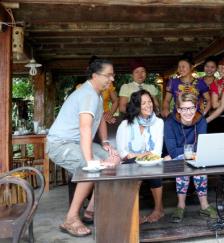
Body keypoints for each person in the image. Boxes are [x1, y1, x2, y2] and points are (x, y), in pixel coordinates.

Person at [47, 58, 120, 237]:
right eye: (108, 75)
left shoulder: (97, 94)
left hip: (76, 142)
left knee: (116, 161)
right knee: (91, 169)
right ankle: (70, 219)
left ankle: (91, 210)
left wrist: (105, 143)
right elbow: (85, 128)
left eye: (113, 75)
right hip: (61, 144)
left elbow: (101, 117)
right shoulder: (87, 94)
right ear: (95, 75)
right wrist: (90, 162)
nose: (112, 79)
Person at [164, 93, 217, 223]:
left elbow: (202, 146)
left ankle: (204, 205)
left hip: (196, 156)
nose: (188, 112)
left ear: (196, 107)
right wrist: (185, 152)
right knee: (184, 165)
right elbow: (172, 150)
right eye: (184, 109)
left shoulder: (201, 120)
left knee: (198, 164)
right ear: (178, 109)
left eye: (192, 108)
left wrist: (183, 151)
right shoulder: (170, 122)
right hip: (178, 159)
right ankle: (181, 205)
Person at [116, 89, 164, 223]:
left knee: (155, 170)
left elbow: (156, 152)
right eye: (144, 103)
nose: (149, 105)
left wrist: (139, 155)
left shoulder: (158, 123)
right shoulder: (125, 125)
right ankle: (132, 212)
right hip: (131, 163)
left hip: (151, 162)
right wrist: (142, 155)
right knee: (134, 169)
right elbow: (123, 153)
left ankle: (158, 209)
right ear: (137, 106)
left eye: (150, 102)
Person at [161, 54, 211, 118]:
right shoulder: (172, 82)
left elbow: (208, 100)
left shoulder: (200, 82)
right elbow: (167, 100)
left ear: (191, 67)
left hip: (195, 118)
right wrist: (166, 110)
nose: (180, 69)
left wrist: (203, 114)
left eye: (183, 66)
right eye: (179, 67)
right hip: (177, 118)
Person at [208, 55, 224, 133]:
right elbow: (214, 104)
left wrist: (222, 100)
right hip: (216, 119)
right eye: (218, 68)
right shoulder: (215, 83)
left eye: (222, 68)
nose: (219, 70)